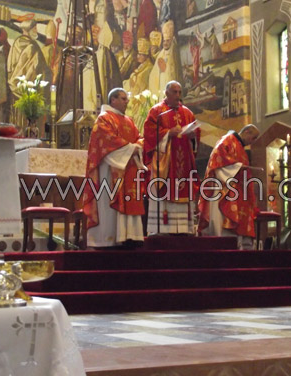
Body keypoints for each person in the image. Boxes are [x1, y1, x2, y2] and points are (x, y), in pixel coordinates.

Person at [82, 88, 146, 247]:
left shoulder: (129, 121)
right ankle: (108, 239)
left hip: (129, 168)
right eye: (123, 99)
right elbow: (106, 140)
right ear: (113, 100)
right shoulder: (104, 119)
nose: (127, 102)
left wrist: (138, 146)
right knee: (109, 206)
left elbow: (139, 138)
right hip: (110, 170)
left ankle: (130, 236)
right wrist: (131, 149)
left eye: (126, 99)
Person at [143, 81, 200, 235]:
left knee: (183, 191)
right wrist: (168, 133)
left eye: (179, 92)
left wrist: (193, 138)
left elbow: (196, 136)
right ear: (166, 93)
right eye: (174, 92)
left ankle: (183, 230)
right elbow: (149, 133)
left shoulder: (187, 113)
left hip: (184, 164)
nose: (177, 95)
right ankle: (162, 230)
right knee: (165, 191)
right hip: (166, 163)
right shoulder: (157, 111)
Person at [198, 125, 260, 250]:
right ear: (246, 132)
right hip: (224, 189)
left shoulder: (239, 146)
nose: (252, 142)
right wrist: (237, 167)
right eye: (253, 138)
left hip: (237, 190)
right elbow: (217, 161)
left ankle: (239, 246)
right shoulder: (227, 140)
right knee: (223, 228)